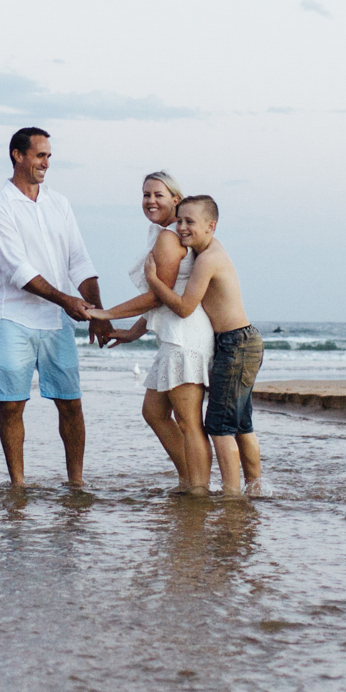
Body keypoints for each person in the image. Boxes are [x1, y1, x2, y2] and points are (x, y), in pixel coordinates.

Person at [0, 126, 107, 487]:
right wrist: (67, 300)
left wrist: (98, 312)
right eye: (40, 155)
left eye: (49, 156)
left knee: (70, 403)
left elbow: (79, 262)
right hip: (12, 318)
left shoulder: (59, 203)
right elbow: (18, 271)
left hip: (55, 321)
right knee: (12, 405)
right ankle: (18, 484)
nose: (46, 163)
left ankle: (76, 482)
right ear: (18, 156)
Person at [80, 171, 212, 492]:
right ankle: (190, 480)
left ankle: (199, 489)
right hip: (174, 338)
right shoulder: (167, 235)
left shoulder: (168, 238)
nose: (150, 201)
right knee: (154, 412)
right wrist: (131, 333)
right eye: (145, 195)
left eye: (158, 195)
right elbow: (163, 301)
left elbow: (157, 295)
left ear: (175, 200)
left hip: (185, 340)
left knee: (189, 422)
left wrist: (107, 313)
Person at [140, 195, 265, 497]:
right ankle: (255, 488)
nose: (182, 227)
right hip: (237, 342)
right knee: (241, 423)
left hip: (236, 342)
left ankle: (232, 496)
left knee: (220, 425)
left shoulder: (209, 258)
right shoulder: (204, 252)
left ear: (211, 225)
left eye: (189, 222)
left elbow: (184, 307)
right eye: (179, 221)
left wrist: (154, 281)